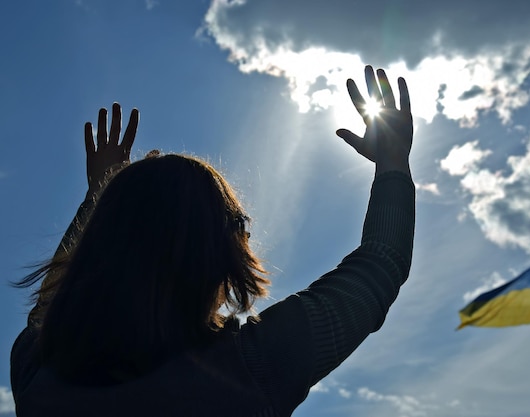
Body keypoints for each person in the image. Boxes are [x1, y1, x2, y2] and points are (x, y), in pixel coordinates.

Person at [10, 65, 415, 416]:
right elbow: (381, 262)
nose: (246, 236)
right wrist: (393, 161)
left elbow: (49, 307)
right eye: (236, 224)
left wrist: (99, 197)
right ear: (214, 251)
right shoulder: (252, 364)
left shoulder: (37, 370)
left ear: (102, 241)